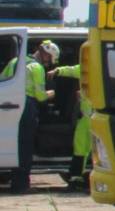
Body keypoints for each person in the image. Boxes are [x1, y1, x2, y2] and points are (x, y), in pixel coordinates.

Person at [2, 40, 58, 190]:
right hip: (28, 107)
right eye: (49, 59)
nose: (48, 63)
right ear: (45, 54)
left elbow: (3, 80)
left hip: (13, 104)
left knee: (16, 144)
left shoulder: (15, 61)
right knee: (26, 146)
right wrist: (50, 94)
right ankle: (21, 184)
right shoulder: (37, 68)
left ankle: (15, 181)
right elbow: (40, 96)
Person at [48, 58, 90, 189]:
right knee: (80, 147)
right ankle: (76, 177)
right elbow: (72, 70)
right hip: (86, 117)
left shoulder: (102, 69)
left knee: (96, 150)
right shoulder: (88, 68)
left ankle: (86, 179)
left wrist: (57, 71)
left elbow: (72, 70)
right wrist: (58, 70)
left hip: (98, 116)